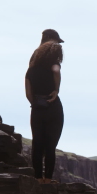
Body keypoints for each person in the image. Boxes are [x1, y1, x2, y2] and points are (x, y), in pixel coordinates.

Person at [25, 29, 65, 184]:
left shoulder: (31, 69)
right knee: (50, 144)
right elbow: (56, 70)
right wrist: (56, 90)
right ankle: (47, 179)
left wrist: (35, 103)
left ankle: (37, 179)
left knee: (37, 143)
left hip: (37, 107)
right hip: (53, 106)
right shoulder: (54, 61)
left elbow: (28, 92)